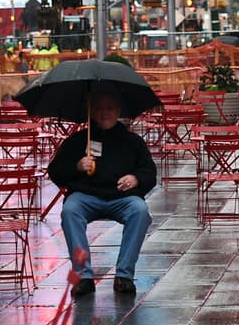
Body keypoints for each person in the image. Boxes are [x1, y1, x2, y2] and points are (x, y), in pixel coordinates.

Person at [46, 90, 156, 298]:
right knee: (70, 210)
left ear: (118, 111)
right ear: (92, 112)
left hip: (122, 197)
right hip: (86, 196)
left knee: (140, 211)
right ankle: (83, 276)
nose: (105, 113)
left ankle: (124, 275)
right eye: (100, 108)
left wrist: (135, 178)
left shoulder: (132, 141)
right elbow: (55, 170)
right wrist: (77, 166)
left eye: (110, 108)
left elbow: (149, 171)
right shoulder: (78, 140)